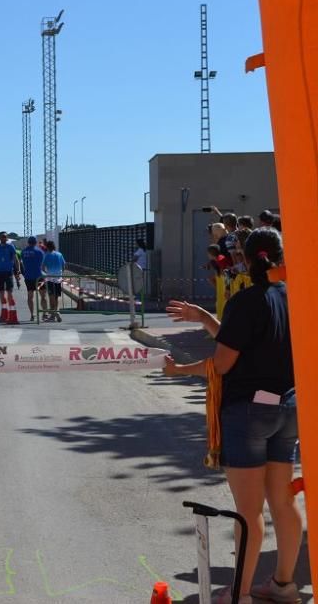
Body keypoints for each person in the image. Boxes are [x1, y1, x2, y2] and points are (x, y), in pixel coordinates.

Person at [162, 228, 300, 604]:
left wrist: (181, 370)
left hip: (248, 414)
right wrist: (206, 318)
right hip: (288, 408)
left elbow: (222, 364)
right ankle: (283, 585)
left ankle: (239, 592)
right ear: (279, 256)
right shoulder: (296, 297)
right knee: (283, 504)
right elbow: (251, 341)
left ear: (243, 256)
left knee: (248, 512)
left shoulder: (245, 301)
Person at [0, 232, 20, 321]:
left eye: (5, 237)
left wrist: (18, 270)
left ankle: (11, 311)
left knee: (9, 292)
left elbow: (15, 259)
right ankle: (4, 312)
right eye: (2, 237)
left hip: (8, 272)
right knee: (1, 293)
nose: (3, 238)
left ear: (7, 238)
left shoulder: (10, 247)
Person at [20, 236, 47, 322]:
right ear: (35, 242)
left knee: (30, 296)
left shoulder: (23, 252)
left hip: (28, 276)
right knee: (43, 296)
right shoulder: (40, 251)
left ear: (28, 242)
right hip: (39, 276)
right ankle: (44, 313)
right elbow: (42, 265)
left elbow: (23, 263)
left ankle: (32, 315)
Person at [42, 240, 66, 322]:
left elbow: (42, 267)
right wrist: (61, 273)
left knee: (51, 296)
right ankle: (56, 312)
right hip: (58, 278)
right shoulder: (59, 254)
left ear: (47, 247)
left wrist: (46, 273)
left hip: (50, 278)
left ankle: (54, 314)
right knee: (57, 297)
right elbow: (64, 265)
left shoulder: (46, 255)